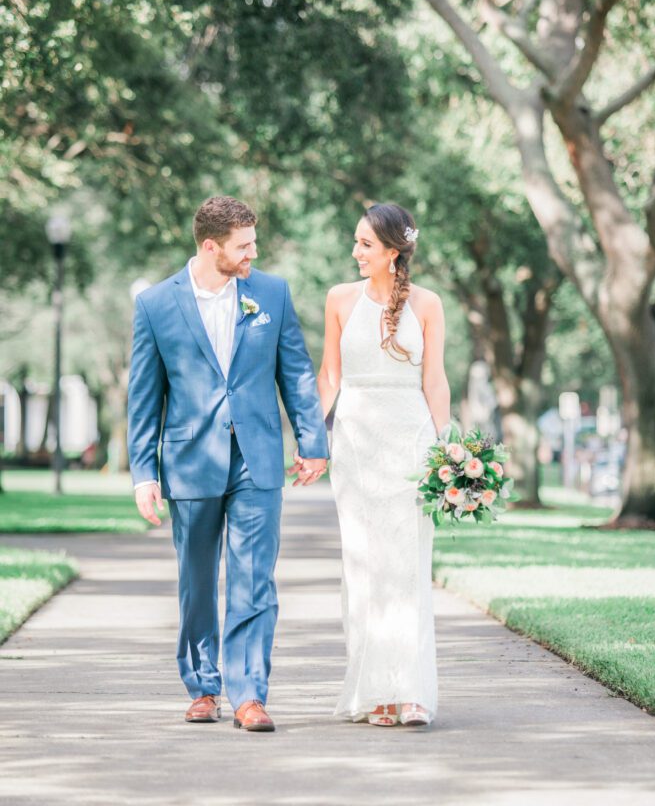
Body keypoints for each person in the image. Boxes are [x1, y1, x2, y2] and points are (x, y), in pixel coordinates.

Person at [128, 195, 328, 731]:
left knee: (254, 579)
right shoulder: (154, 305)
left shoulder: (271, 293)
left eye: (254, 242)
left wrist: (313, 441)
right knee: (197, 581)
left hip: (257, 458)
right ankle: (202, 686)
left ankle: (249, 694)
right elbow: (144, 397)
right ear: (211, 246)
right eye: (244, 245)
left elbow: (297, 372)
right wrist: (144, 472)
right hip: (191, 461)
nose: (253, 253)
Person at [318, 203, 450, 727]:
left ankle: (412, 692)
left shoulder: (428, 304)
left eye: (365, 245)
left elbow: (434, 381)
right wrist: (316, 441)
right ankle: (376, 694)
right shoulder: (338, 299)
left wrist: (449, 452)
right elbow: (329, 376)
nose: (355, 252)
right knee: (364, 567)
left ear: (393, 251)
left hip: (411, 442)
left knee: (408, 567)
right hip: (354, 442)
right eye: (355, 242)